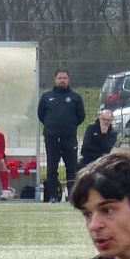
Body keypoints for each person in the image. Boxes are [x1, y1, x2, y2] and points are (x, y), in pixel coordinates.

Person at [38, 69, 86, 202]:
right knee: (52, 169)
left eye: (64, 78)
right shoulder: (46, 96)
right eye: (60, 78)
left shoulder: (75, 97)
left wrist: (70, 126)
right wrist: (52, 126)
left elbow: (81, 116)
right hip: (51, 138)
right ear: (55, 79)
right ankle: (54, 196)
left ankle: (71, 196)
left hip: (69, 138)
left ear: (68, 80)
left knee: (71, 168)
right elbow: (41, 114)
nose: (62, 80)